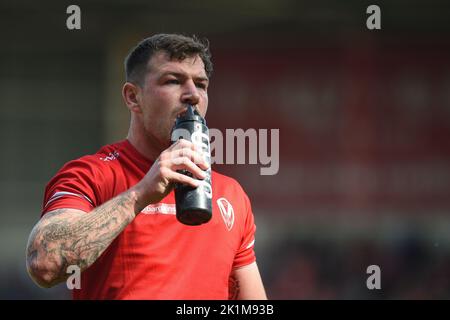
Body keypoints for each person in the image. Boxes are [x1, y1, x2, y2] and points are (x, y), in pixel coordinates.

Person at [26, 33, 267, 300]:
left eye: (201, 84)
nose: (192, 95)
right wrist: (141, 194)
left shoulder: (230, 195)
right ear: (132, 97)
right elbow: (44, 265)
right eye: (173, 81)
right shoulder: (91, 175)